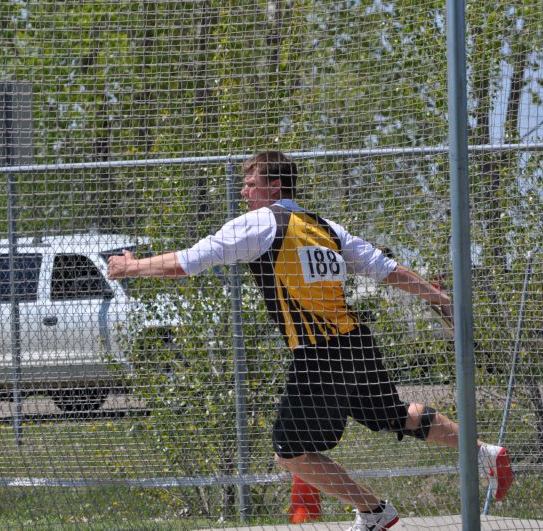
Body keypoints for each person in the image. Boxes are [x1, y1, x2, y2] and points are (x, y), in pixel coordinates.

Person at [107, 151, 513, 531]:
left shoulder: (262, 223)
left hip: (319, 354)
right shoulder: (326, 228)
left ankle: (375, 511)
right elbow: (386, 270)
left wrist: (132, 266)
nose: (244, 191)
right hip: (356, 342)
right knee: (395, 414)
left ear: (275, 187)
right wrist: (438, 297)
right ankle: (485, 453)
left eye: (251, 183)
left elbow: (188, 262)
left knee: (290, 450)